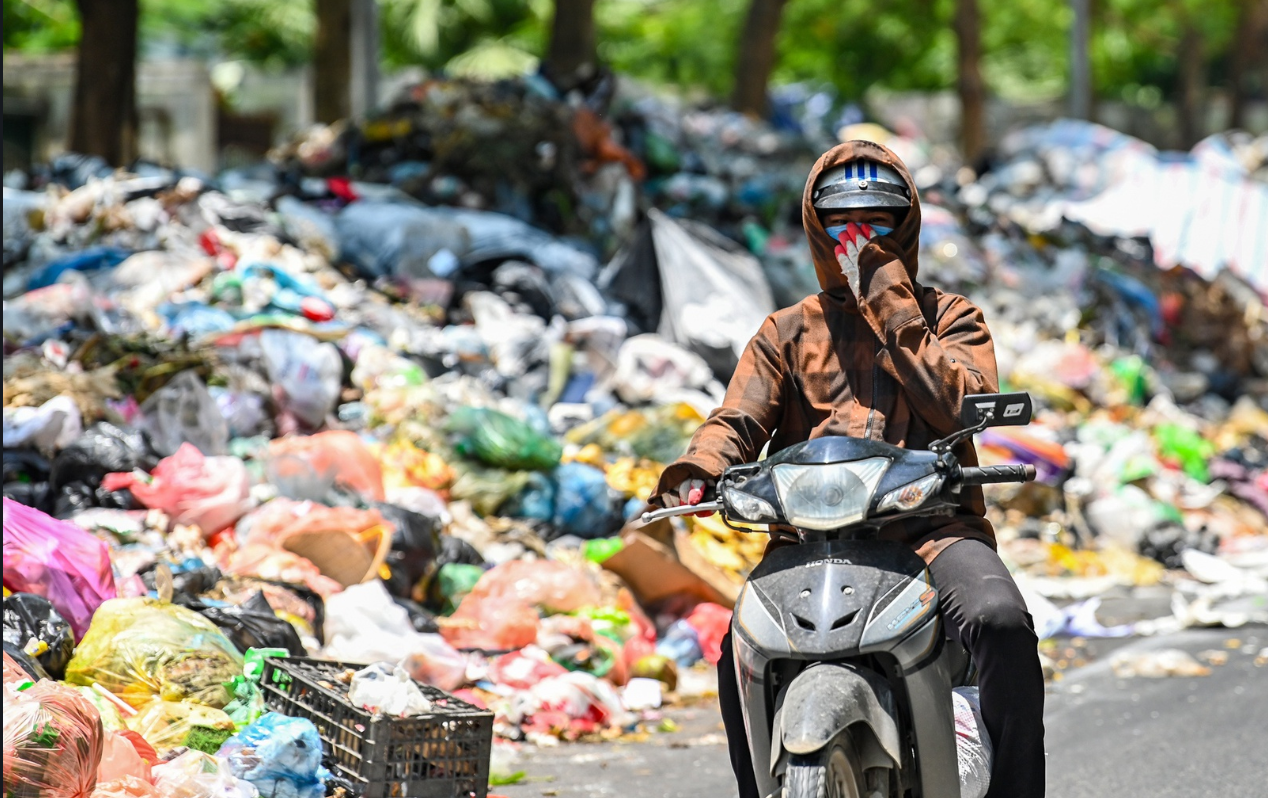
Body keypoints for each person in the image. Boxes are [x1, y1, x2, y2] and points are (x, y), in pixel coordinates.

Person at [652, 140, 1045, 798]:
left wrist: (890, 300)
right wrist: (700, 467)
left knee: (1000, 621)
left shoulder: (952, 318)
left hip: (930, 534)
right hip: (810, 541)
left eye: (877, 224)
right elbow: (738, 418)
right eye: (842, 225)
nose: (858, 239)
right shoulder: (785, 331)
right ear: (816, 228)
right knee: (735, 653)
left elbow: (959, 405)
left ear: (906, 227)